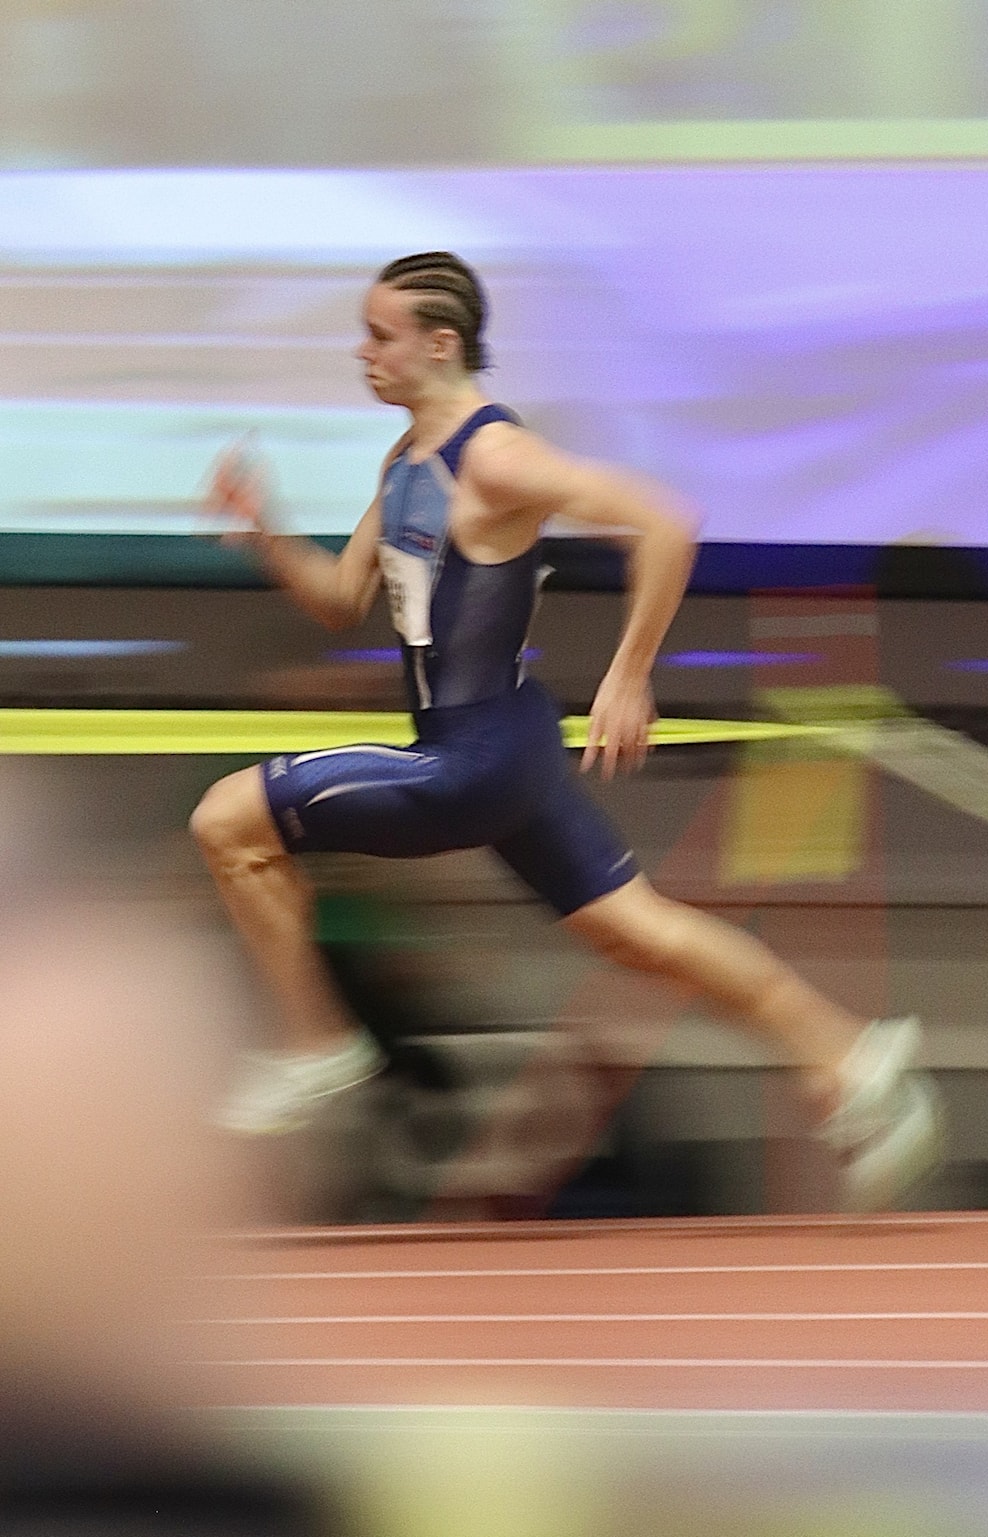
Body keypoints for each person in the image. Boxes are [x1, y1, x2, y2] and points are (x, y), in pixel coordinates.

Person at [192, 250, 940, 1211]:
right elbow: (342, 598)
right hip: (505, 747)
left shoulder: (497, 458)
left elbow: (664, 522)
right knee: (641, 932)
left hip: (472, 760)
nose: (362, 352)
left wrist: (630, 675)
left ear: (440, 344)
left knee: (226, 821)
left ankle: (317, 1044)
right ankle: (850, 1056)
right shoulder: (407, 459)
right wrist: (267, 530)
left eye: (379, 335)